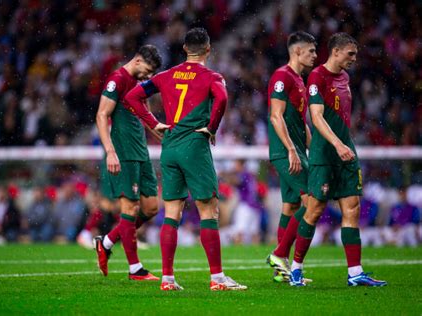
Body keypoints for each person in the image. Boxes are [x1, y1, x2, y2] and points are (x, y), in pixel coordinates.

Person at [125, 27, 247, 291]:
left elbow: (132, 96)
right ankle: (217, 278)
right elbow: (222, 98)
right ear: (208, 49)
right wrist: (212, 127)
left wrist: (154, 123)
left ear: (184, 49)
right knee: (208, 211)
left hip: (169, 146)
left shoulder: (166, 75)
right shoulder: (212, 76)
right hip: (194, 144)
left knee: (172, 213)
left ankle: (167, 279)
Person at [287, 33, 386, 286]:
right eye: (350, 53)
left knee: (352, 208)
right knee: (315, 210)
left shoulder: (345, 77)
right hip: (325, 154)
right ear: (336, 52)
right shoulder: (317, 77)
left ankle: (355, 273)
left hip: (346, 153)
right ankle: (296, 268)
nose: (354, 58)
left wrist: (345, 144)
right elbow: (316, 117)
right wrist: (337, 143)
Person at [93, 45, 163, 281]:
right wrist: (110, 151)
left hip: (141, 153)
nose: (150, 76)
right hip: (122, 153)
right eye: (149, 70)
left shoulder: (142, 85)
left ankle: (107, 241)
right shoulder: (117, 79)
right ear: (138, 60)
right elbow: (102, 115)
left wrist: (164, 136)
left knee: (151, 207)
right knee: (130, 209)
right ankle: (135, 269)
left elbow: (146, 115)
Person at [264, 31, 316, 282]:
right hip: (286, 152)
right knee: (312, 203)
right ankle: (280, 253)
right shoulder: (282, 77)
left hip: (296, 151)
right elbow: (276, 116)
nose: (315, 56)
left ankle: (280, 271)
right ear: (297, 51)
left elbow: (301, 122)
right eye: (312, 51)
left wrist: (314, 149)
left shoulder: (299, 80)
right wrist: (291, 150)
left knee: (292, 206)